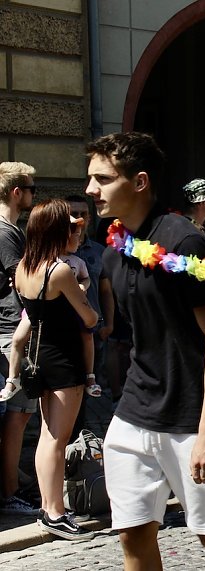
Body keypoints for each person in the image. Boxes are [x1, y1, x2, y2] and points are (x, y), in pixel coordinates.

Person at [85, 132, 205, 568]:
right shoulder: (114, 244)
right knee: (132, 536)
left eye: (102, 178)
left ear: (139, 182)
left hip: (190, 416)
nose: (90, 189)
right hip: (134, 412)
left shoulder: (184, 241)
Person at [4, 200, 99, 539]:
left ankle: (50, 507)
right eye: (68, 224)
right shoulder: (59, 270)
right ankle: (55, 512)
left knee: (48, 436)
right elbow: (89, 317)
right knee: (57, 438)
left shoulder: (25, 268)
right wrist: (83, 293)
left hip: (38, 356)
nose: (75, 228)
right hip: (65, 358)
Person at [0, 162, 39, 516]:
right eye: (31, 189)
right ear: (17, 192)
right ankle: (10, 491)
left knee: (17, 414)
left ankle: (12, 481)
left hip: (9, 327)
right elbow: (21, 281)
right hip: (10, 328)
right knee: (18, 414)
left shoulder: (10, 229)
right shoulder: (6, 233)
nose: (32, 195)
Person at [59, 216, 101, 398]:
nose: (80, 239)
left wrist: (83, 286)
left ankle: (90, 376)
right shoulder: (50, 259)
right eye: (76, 236)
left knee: (88, 335)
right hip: (57, 309)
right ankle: (14, 376)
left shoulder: (78, 261)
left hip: (76, 307)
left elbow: (85, 277)